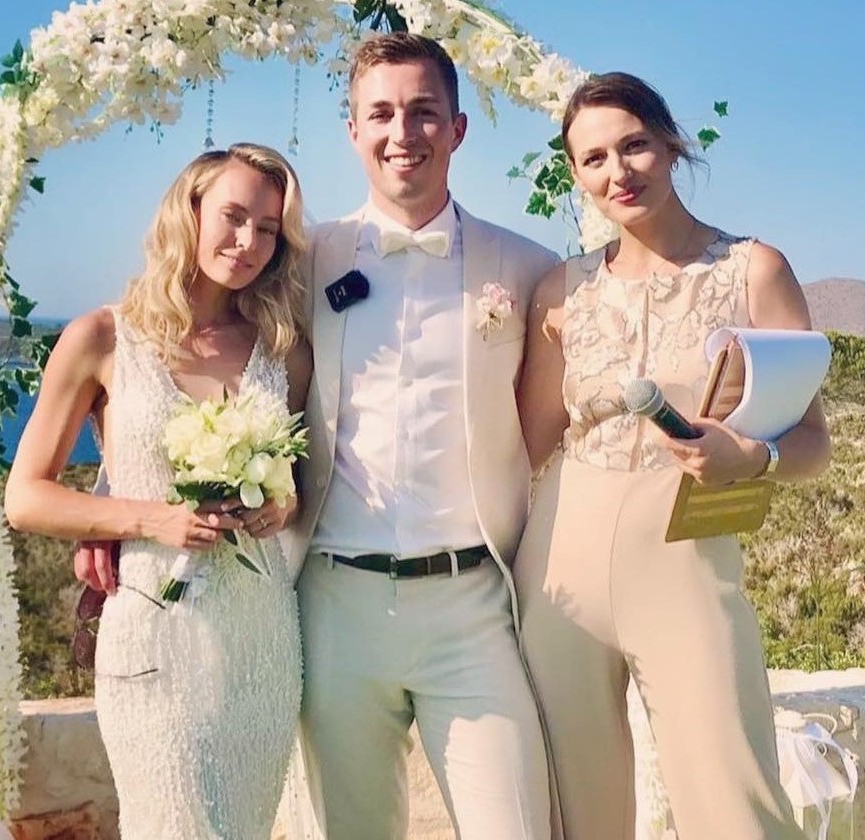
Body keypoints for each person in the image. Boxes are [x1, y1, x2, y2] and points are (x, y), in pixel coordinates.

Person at [514, 72, 832, 839]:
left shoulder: (754, 270)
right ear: (575, 173)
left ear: (670, 145)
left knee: (734, 803)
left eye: (634, 147)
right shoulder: (560, 293)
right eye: (593, 160)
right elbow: (525, 448)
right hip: (559, 569)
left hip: (689, 563)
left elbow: (814, 442)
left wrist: (749, 458)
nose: (617, 173)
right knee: (575, 813)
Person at [287, 32, 557, 840]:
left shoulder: (529, 267)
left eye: (423, 112)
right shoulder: (300, 260)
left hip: (474, 607)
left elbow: (552, 429)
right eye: (382, 113)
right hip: (335, 605)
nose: (402, 131)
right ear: (354, 131)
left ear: (458, 128)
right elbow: (205, 362)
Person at [4, 143, 313, 838]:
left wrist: (281, 503)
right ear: (189, 212)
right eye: (234, 216)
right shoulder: (102, 337)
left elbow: (300, 481)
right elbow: (25, 497)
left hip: (260, 639)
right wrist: (149, 518)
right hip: (154, 639)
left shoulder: (283, 345)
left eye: (268, 229)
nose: (249, 242)